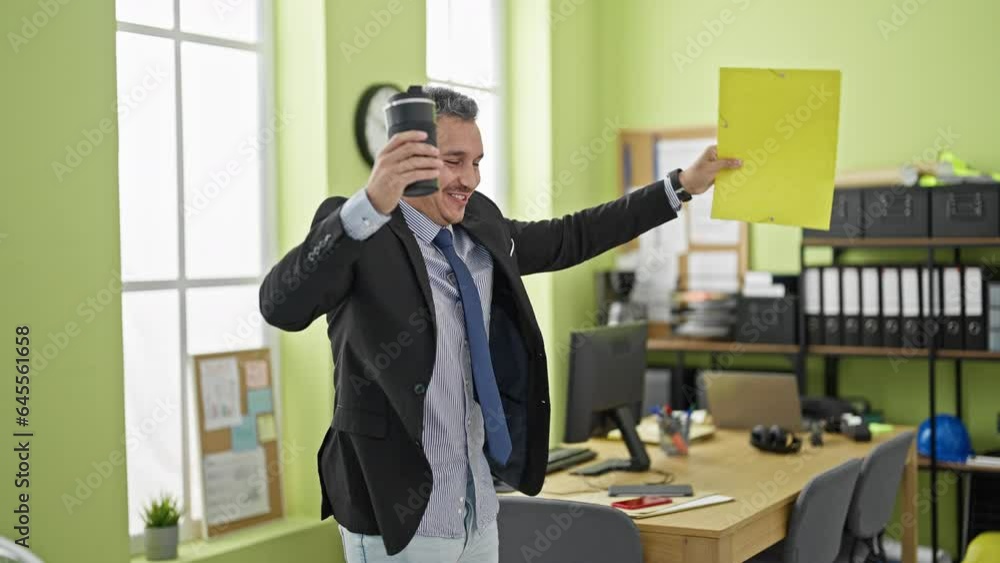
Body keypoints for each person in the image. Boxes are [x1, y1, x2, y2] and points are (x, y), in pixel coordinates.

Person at [259, 86, 740, 562]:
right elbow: (281, 304)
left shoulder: (479, 225)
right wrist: (371, 202)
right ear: (409, 159)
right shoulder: (362, 231)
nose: (469, 179)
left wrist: (680, 186)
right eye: (454, 160)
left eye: (477, 162)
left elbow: (572, 236)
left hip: (477, 508)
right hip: (399, 516)